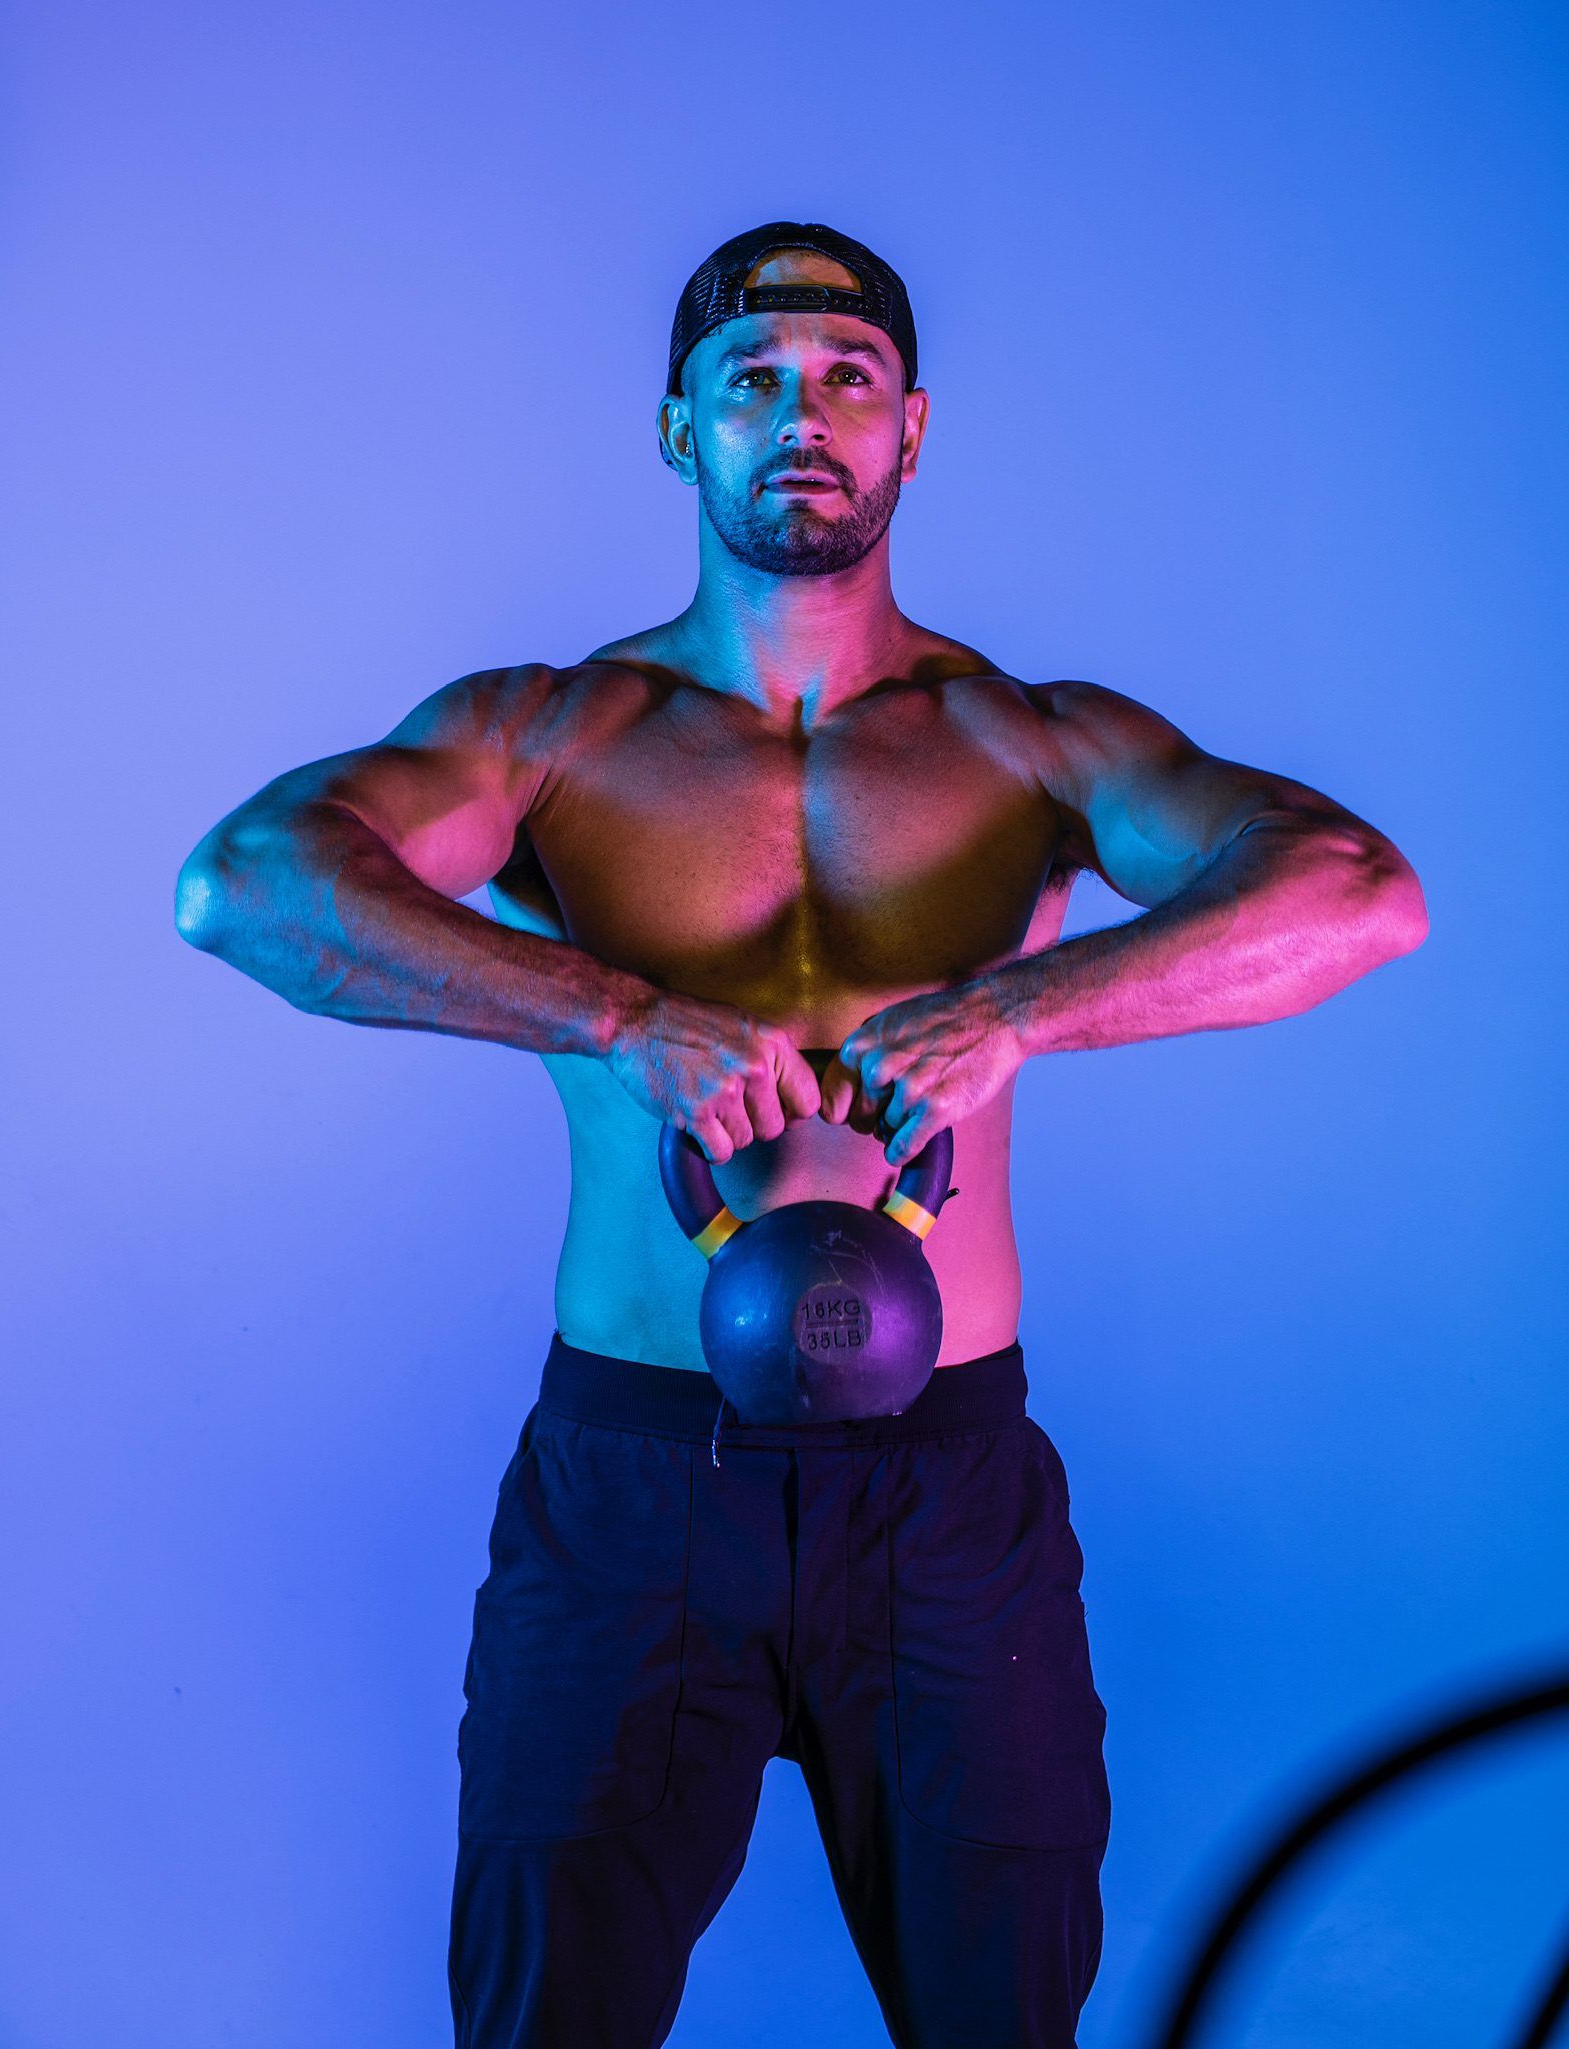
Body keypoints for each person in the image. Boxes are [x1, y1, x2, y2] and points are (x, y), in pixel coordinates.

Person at [174, 220, 1429, 2048]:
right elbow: (248, 886)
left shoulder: (1029, 743)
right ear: (678, 431)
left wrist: (1021, 1004)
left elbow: (1355, 893)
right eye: (751, 382)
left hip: (947, 1493)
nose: (803, 416)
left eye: (847, 381)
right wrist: (619, 1012)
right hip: (634, 1479)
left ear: (913, 430)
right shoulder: (552, 735)